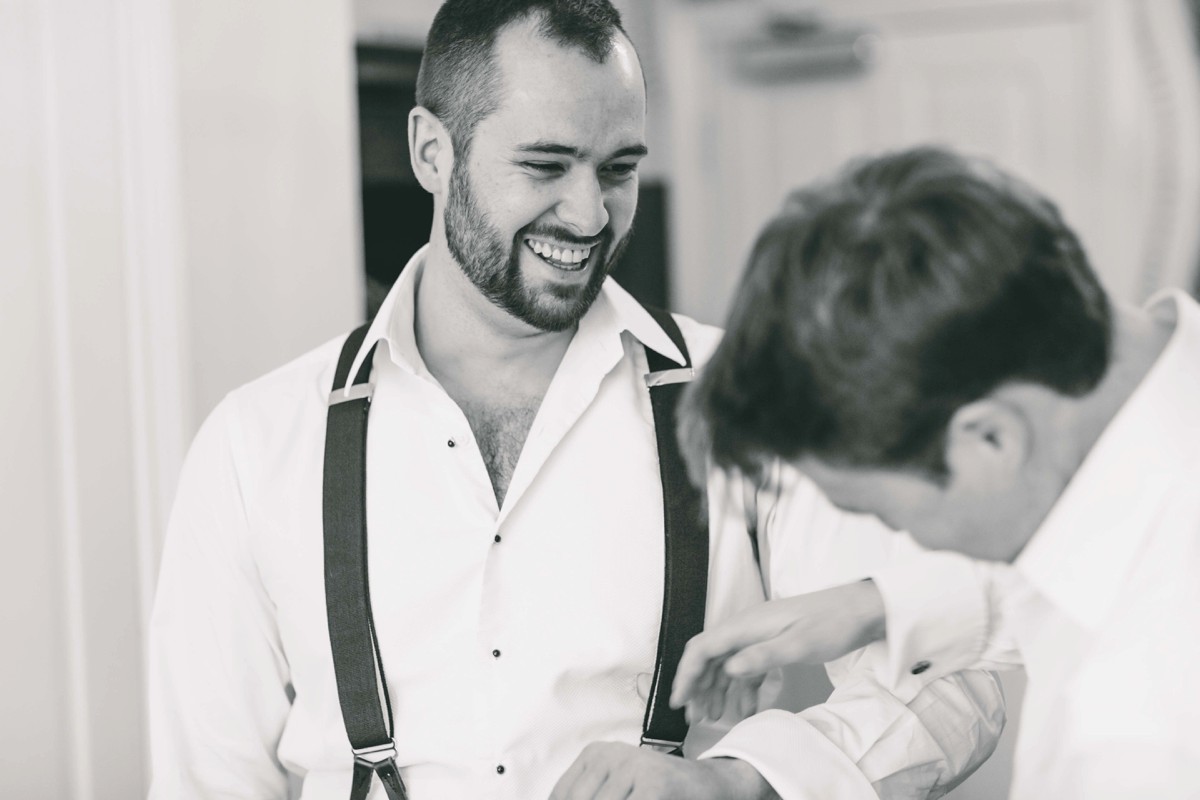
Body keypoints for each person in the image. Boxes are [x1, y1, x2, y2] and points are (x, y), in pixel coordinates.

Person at [148, 4, 1006, 798]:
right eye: (546, 164)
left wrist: (742, 782)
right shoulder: (256, 444)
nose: (591, 215)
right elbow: (205, 779)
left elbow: (957, 663)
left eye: (618, 168)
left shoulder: (750, 400)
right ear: (430, 152)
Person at [674, 145, 1200, 797]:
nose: (914, 545)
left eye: (886, 515)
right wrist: (876, 605)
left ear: (989, 438)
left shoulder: (1135, 729)